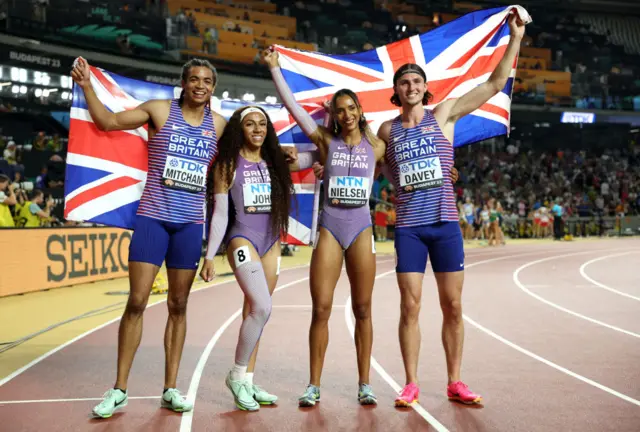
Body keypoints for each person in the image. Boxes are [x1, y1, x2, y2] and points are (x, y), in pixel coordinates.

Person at [263, 48, 460, 407]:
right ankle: (313, 385)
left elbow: (410, 163)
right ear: (334, 117)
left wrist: (447, 171)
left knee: (363, 309)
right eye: (340, 111)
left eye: (352, 108)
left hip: (361, 230)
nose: (347, 114)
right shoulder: (325, 141)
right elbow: (294, 110)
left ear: (360, 112)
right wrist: (276, 70)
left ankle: (364, 384)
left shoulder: (378, 145)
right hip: (330, 230)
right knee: (321, 308)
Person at [374, 11, 526, 406]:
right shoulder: (387, 131)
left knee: (453, 305)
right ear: (396, 89)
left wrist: (516, 38)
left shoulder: (445, 114)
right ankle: (410, 382)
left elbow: (495, 83)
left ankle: (455, 381)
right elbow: (385, 171)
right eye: (404, 82)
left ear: (425, 89)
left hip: (445, 225)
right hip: (409, 227)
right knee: (410, 305)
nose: (410, 86)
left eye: (416, 82)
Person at [72, 56, 227, 418]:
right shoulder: (159, 110)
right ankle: (119, 389)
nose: (200, 85)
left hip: (189, 226)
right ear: (183, 83)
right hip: (153, 219)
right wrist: (86, 86)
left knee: (178, 305)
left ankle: (170, 389)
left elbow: (247, 152)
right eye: (193, 79)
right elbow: (108, 122)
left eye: (206, 80)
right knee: (138, 301)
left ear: (213, 87)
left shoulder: (219, 125)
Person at [199, 105, 294, 411]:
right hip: (242, 238)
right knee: (263, 306)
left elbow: (311, 158)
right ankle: (236, 375)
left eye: (262, 124)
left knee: (258, 313)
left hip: (270, 242)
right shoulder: (228, 165)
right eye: (250, 124)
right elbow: (220, 215)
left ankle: (248, 382)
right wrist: (210, 255)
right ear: (239, 129)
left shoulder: (273, 162)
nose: (256, 129)